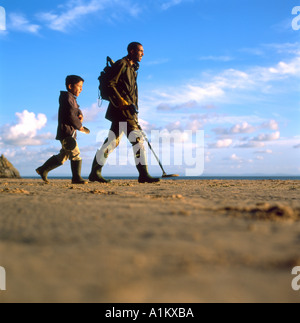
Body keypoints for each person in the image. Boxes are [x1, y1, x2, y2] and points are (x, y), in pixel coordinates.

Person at [89, 42, 160, 184]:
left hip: (127, 112)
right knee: (137, 140)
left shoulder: (132, 69)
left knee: (111, 142)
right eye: (140, 51)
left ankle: (95, 172)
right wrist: (121, 101)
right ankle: (144, 174)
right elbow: (110, 83)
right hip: (122, 112)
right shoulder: (122, 64)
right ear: (132, 51)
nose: (143, 54)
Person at [36, 75, 87, 184]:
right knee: (75, 153)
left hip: (70, 133)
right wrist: (80, 126)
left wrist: (80, 114)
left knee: (63, 156)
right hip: (66, 132)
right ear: (70, 86)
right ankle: (76, 178)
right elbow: (70, 115)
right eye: (79, 86)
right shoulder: (67, 98)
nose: (81, 89)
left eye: (82, 87)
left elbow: (76, 110)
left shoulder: (71, 99)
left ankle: (43, 169)